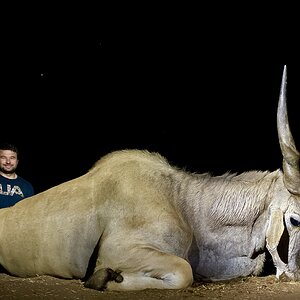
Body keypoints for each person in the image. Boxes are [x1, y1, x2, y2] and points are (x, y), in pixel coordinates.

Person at [0, 142, 34, 208]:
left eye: (12, 158)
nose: (8, 162)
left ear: (17, 161)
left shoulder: (27, 187)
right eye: (3, 157)